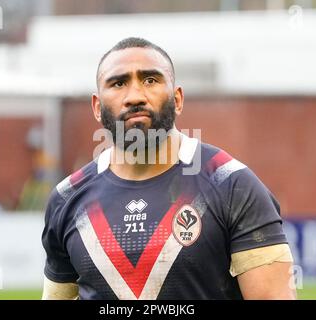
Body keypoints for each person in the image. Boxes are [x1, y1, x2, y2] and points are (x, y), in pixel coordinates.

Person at [41, 37, 296, 300]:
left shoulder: (232, 184)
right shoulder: (66, 199)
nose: (135, 96)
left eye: (150, 80)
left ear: (177, 99)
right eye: (118, 83)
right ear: (97, 106)